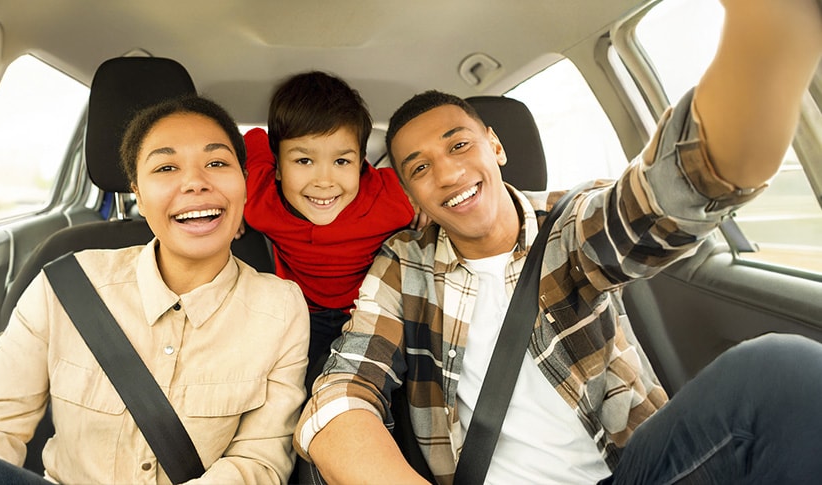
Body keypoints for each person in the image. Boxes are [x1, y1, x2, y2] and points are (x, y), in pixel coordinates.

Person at [294, 0, 822, 483]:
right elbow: (343, 392)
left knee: (782, 370)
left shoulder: (567, 223)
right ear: (410, 194)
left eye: (459, 145)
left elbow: (662, 200)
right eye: (420, 168)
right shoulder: (403, 264)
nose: (449, 174)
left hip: (632, 473)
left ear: (495, 147)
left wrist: (769, 37)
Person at [0, 95, 310, 484]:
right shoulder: (65, 284)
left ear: (245, 182)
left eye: (216, 163)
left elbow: (260, 460)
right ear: (138, 193)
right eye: (166, 167)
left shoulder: (281, 307)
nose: (195, 182)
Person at [243, 71, 425, 389]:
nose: (324, 181)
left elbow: (436, 190)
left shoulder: (394, 199)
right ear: (278, 167)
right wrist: (231, 207)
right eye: (304, 161)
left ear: (362, 164)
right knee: (289, 387)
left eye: (342, 162)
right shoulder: (260, 199)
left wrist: (425, 202)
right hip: (302, 313)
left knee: (376, 386)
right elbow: (253, 137)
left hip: (367, 312)